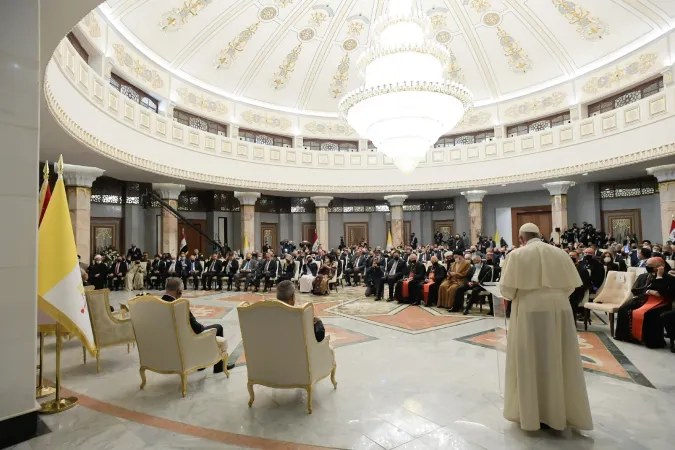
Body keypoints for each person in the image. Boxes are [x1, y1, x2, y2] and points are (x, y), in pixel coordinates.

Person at [499, 223, 592, 432]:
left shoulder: (517, 255)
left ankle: (533, 414)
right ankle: (560, 412)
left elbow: (507, 290)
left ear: (522, 238)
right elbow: (570, 286)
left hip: (529, 312)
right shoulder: (560, 254)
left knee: (530, 359)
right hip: (560, 310)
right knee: (559, 357)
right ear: (539, 235)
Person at [161, 278, 234, 373]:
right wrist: (202, 326)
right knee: (218, 327)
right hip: (185, 341)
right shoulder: (180, 305)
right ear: (179, 291)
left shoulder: (158, 303)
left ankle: (201, 363)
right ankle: (218, 367)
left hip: (169, 340)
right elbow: (197, 329)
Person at [615, 257, 673, 348]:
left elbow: (666, 293)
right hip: (642, 299)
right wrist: (648, 292)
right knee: (624, 309)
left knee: (651, 314)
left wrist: (659, 277)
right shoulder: (643, 276)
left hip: (661, 302)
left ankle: (649, 340)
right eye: (647, 265)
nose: (648, 267)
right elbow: (634, 290)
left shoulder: (669, 278)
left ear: (661, 266)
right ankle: (627, 336)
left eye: (650, 266)